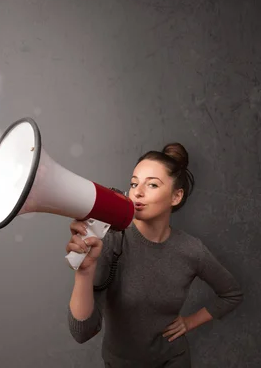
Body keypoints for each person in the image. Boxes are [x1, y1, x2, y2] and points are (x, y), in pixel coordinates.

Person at [66, 143, 243, 367]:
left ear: (176, 196)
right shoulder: (111, 242)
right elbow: (82, 332)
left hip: (173, 360)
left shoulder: (191, 249)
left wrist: (189, 322)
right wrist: (84, 272)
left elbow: (232, 294)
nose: (137, 192)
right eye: (133, 183)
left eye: (152, 184)